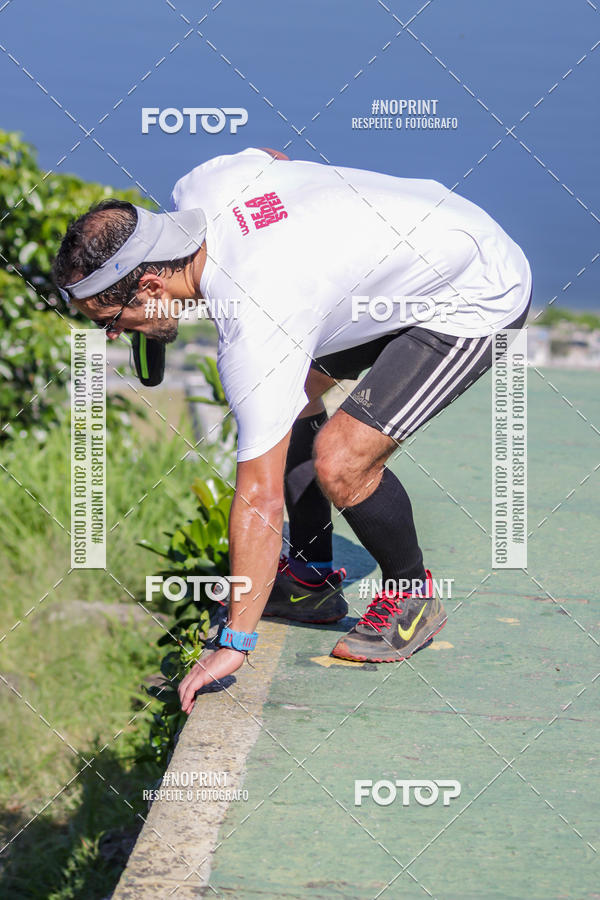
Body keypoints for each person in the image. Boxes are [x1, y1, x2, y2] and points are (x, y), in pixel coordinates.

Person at [52, 147, 532, 713]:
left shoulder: (257, 319)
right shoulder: (202, 184)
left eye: (111, 323)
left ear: (151, 284)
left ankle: (412, 595)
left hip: (472, 291)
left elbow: (260, 498)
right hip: (410, 249)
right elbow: (274, 158)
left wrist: (235, 640)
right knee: (289, 397)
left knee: (342, 461)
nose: (112, 338)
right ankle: (309, 577)